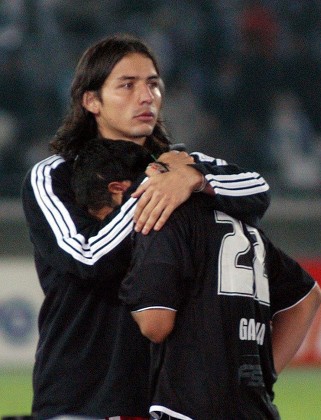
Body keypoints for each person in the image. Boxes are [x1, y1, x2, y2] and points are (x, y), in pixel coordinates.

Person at [22, 33, 271, 419]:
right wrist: (155, 187)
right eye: (127, 85)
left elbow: (258, 190)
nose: (146, 96)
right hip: (82, 398)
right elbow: (87, 256)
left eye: (153, 83)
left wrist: (197, 180)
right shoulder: (53, 176)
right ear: (91, 101)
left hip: (167, 402)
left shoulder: (183, 167)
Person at [120, 199, 321, 419]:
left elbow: (155, 325)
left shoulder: (168, 221)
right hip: (255, 408)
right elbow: (308, 298)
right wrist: (263, 378)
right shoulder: (247, 229)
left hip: (190, 406)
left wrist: (125, 291)